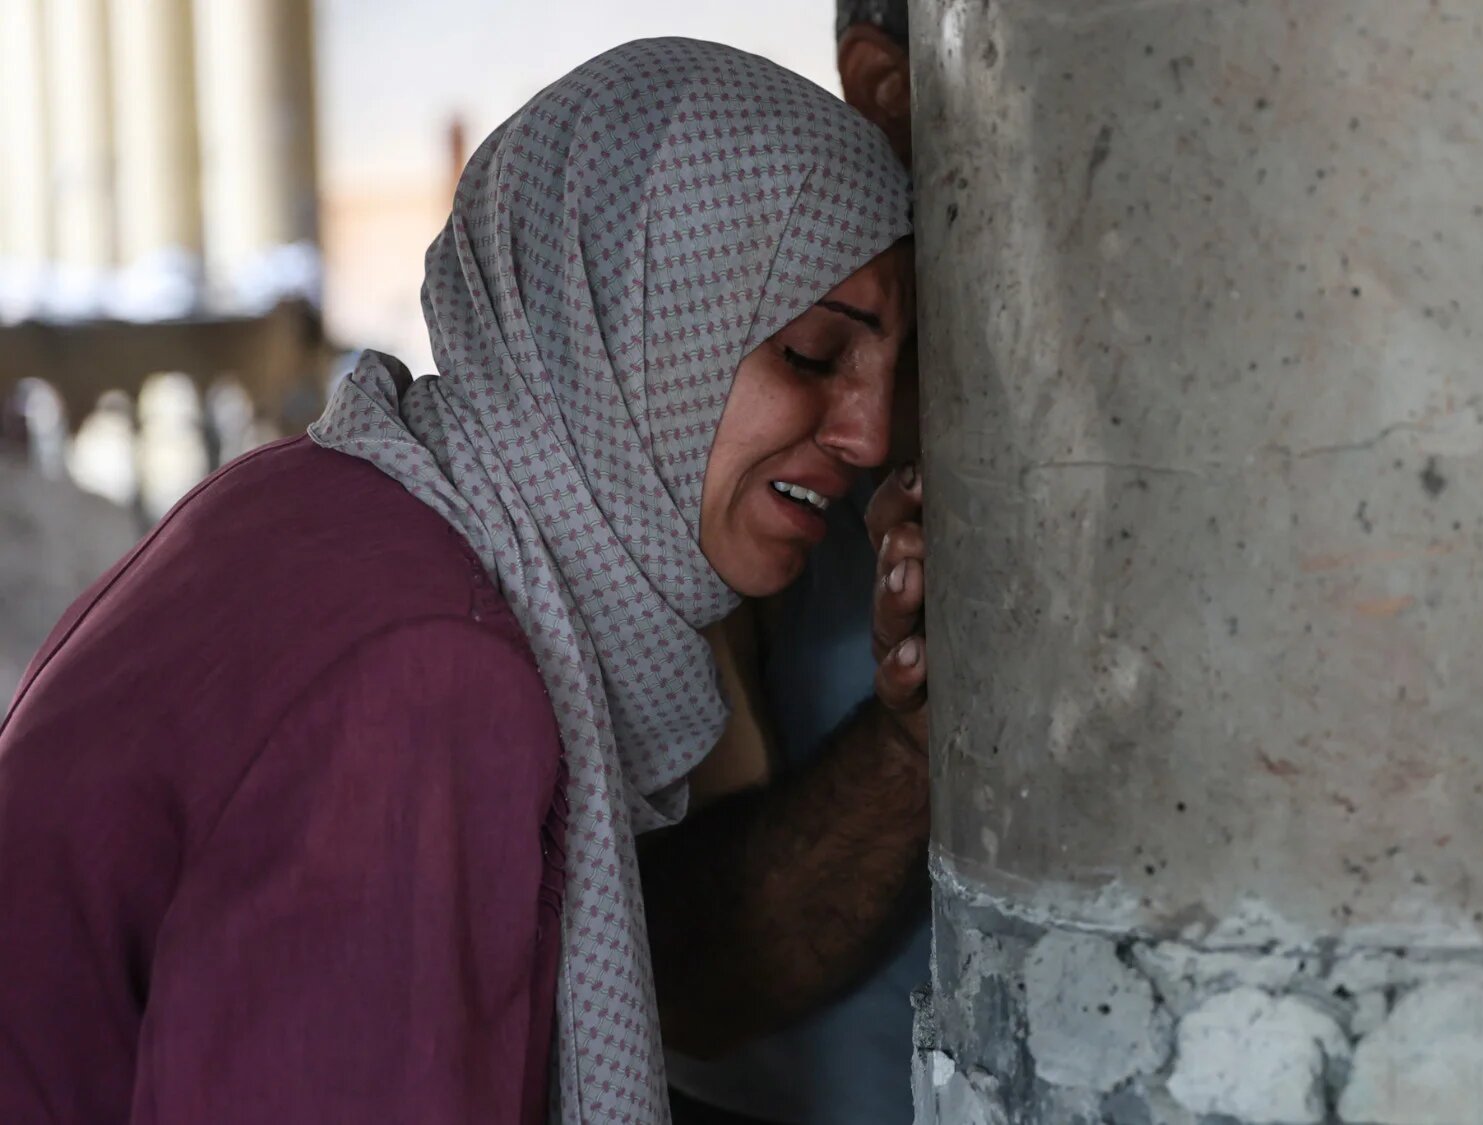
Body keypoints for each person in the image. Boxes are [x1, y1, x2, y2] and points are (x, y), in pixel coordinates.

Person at [0, 38, 928, 1125]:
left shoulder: (332, 499)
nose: (867, 435)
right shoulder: (431, 675)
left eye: (894, 370)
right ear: (634, 330)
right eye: (814, 356)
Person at [660, 5, 926, 1124]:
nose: (857, 433)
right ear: (887, 84)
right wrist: (917, 732)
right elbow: (690, 977)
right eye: (818, 354)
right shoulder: (703, 426)